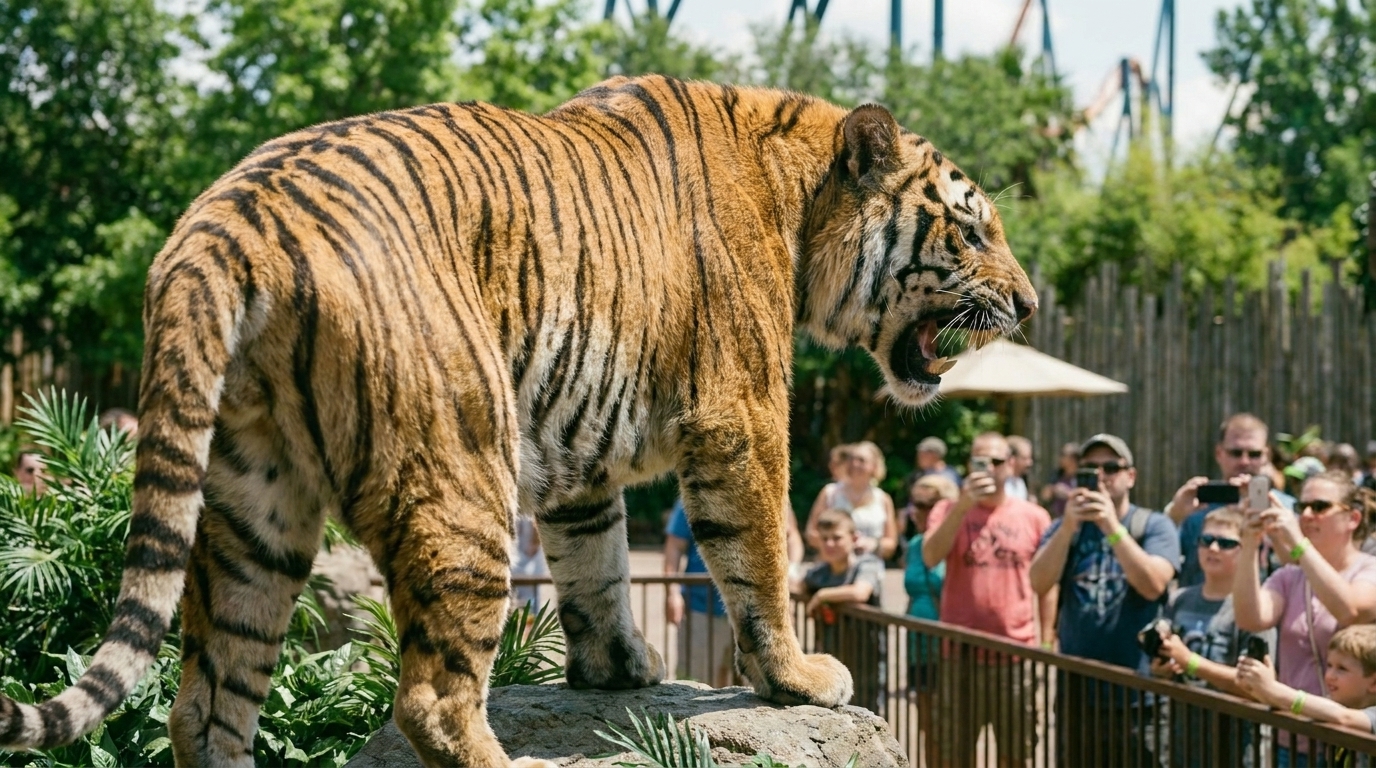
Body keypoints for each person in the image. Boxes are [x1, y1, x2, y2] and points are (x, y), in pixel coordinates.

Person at [1029, 433, 1180, 766]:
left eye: (1111, 467)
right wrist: (1068, 526)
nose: (1100, 475)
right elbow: (1039, 582)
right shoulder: (1065, 527)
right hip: (1077, 695)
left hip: (1140, 697)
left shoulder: (1154, 525)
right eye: (1089, 468)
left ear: (1131, 476)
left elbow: (1154, 585)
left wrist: (1111, 526)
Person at [922, 431, 1052, 767]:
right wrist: (962, 506)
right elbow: (930, 557)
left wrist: (1047, 640)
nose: (990, 469)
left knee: (1016, 751)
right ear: (969, 465)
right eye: (981, 461)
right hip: (959, 653)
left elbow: (1048, 584)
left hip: (1014, 652)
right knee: (955, 751)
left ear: (1010, 465)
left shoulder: (1034, 515)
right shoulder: (947, 509)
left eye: (997, 461)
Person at [1233, 471, 1376, 765]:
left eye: (1320, 507)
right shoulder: (1290, 576)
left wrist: (1298, 544)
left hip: (1353, 742)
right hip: (1294, 737)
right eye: (1301, 507)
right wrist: (1249, 543)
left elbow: (1349, 610)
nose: (1308, 515)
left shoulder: (1369, 570)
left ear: (1353, 519)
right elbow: (1250, 617)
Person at [1148, 508, 1273, 766]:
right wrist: (1161, 667)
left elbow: (1256, 688)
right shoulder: (1179, 599)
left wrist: (1190, 661)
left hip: (1233, 743)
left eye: (1226, 543)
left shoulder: (1254, 608)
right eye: (1206, 541)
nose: (1213, 548)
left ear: (1245, 549)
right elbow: (1168, 666)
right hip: (1182, 738)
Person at [1170, 413, 1295, 588]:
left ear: (1266, 455)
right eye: (1236, 453)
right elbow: (1165, 564)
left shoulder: (1285, 507)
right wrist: (1173, 519)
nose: (1245, 461)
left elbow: (1300, 568)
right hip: (1201, 610)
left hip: (1268, 609)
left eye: (1254, 454)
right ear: (1219, 453)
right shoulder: (1195, 506)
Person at [1237, 625, 1376, 767]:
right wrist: (1260, 687)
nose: (1329, 676)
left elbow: (1345, 717)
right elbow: (1291, 706)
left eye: (1342, 669)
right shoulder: (1338, 705)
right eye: (1329, 665)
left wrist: (1273, 688)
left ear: (1374, 683)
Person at [797, 508, 884, 713]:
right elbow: (796, 586)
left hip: (865, 659)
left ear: (854, 538)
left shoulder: (867, 564)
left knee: (865, 713)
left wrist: (822, 595)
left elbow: (860, 592)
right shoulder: (821, 571)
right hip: (833, 657)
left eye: (836, 538)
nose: (830, 544)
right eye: (825, 538)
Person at [902, 475, 953, 768]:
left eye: (925, 505)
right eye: (914, 504)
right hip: (918, 647)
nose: (916, 512)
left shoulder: (954, 545)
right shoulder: (914, 546)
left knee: (950, 728)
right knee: (928, 729)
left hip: (947, 649)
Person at [664, 498, 733, 687]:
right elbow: (675, 546)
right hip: (700, 608)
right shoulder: (694, 496)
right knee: (694, 682)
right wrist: (673, 593)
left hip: (748, 612)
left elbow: (789, 536)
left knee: (747, 690)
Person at [805, 442, 898, 560]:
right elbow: (811, 533)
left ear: (874, 466)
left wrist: (874, 544)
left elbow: (891, 543)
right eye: (851, 459)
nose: (854, 464)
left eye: (861, 460)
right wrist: (838, 545)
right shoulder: (830, 493)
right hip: (833, 566)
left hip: (870, 566)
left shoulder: (883, 499)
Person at [1038, 442, 1080, 519]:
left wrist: (1067, 494)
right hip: (1057, 519)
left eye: (1063, 454)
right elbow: (1044, 496)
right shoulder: (1057, 475)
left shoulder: (1081, 476)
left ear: (1073, 458)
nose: (1060, 458)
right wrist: (1052, 490)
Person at [1005, 435, 1033, 501]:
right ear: (1012, 459)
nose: (1029, 463)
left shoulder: (1020, 482)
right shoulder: (1001, 484)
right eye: (1025, 458)